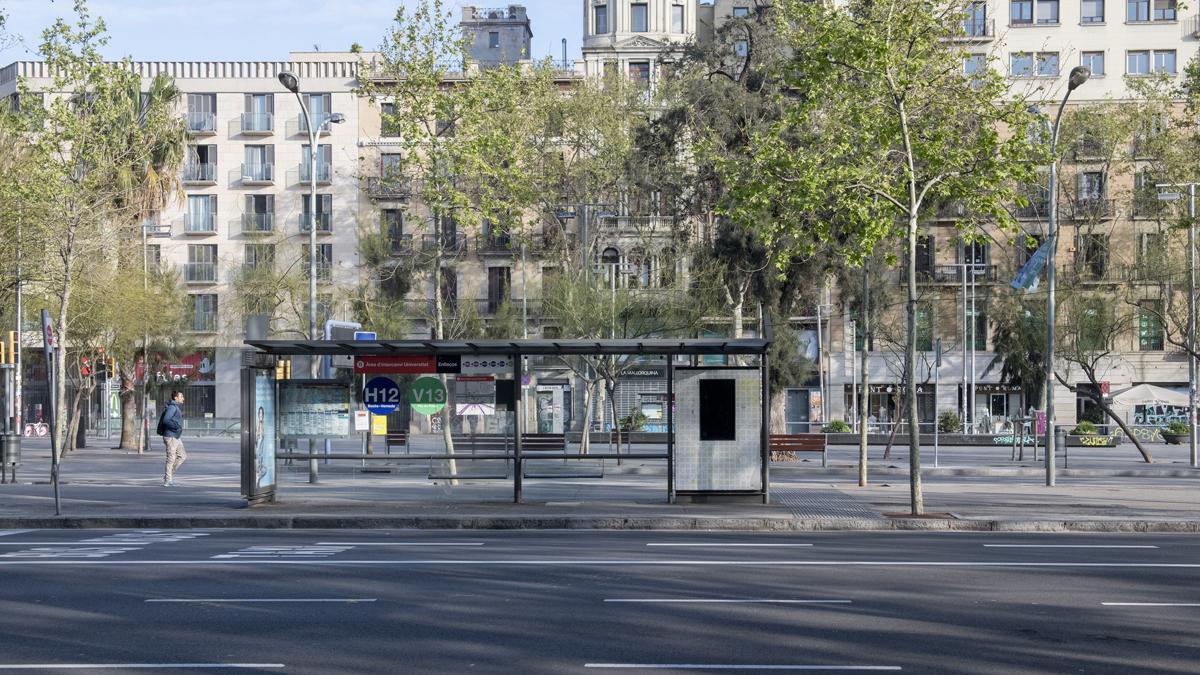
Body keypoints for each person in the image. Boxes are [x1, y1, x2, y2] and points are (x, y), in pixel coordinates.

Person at [156, 390, 186, 486]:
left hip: (175, 436)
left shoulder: (175, 407)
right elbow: (166, 420)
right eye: (181, 396)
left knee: (182, 456)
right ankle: (168, 480)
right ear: (176, 398)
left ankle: (168, 476)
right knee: (171, 458)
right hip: (171, 436)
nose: (183, 398)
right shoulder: (172, 408)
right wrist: (176, 426)